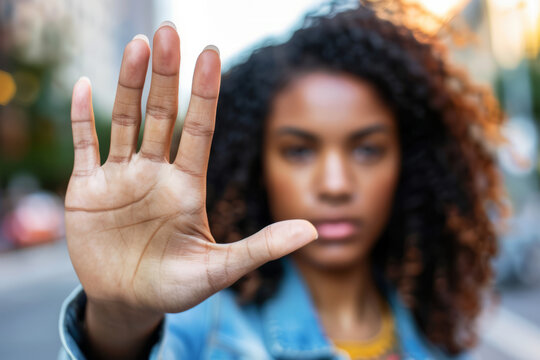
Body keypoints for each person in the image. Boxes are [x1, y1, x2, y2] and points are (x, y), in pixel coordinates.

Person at [59, 1, 507, 359]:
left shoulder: (442, 337)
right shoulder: (199, 330)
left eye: (367, 149)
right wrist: (119, 319)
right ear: (260, 167)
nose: (335, 184)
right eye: (299, 150)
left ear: (406, 165)